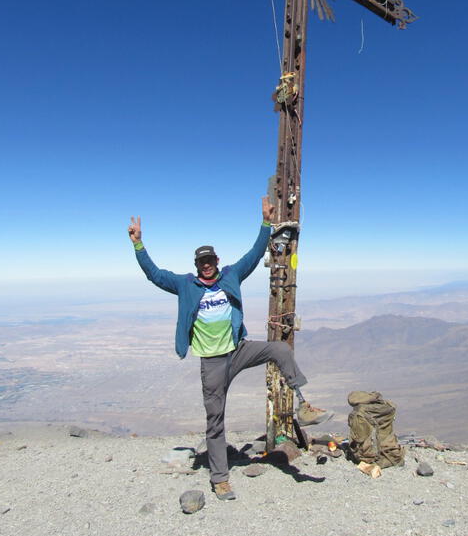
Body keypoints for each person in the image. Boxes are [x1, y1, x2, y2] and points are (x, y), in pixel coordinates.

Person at [128, 197, 331, 500]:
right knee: (215, 420)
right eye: (201, 262)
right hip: (211, 362)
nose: (206, 265)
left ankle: (304, 404)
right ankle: (220, 478)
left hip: (238, 349)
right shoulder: (185, 285)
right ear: (196, 265)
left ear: (217, 261)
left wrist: (265, 221)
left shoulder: (230, 276)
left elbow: (253, 255)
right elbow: (154, 275)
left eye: (210, 260)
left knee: (279, 350)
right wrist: (138, 244)